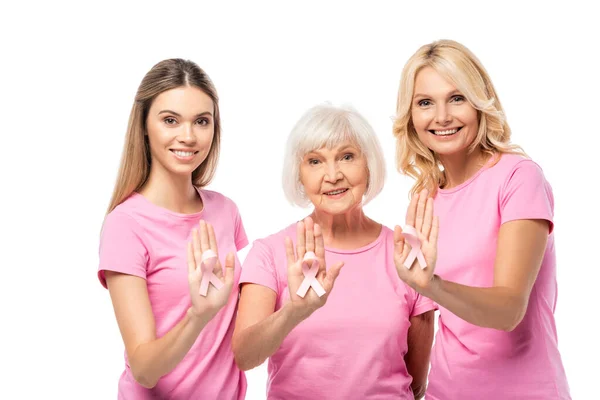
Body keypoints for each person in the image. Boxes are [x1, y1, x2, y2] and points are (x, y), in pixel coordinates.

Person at [392, 39, 571, 399]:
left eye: (456, 98)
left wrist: (432, 284)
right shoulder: (425, 197)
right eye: (425, 103)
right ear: (411, 117)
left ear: (479, 102)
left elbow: (509, 309)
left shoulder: (518, 178)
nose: (441, 116)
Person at [233, 103, 435, 399]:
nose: (332, 175)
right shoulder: (270, 253)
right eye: (314, 162)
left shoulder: (406, 255)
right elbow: (245, 357)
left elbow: (415, 383)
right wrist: (294, 312)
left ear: (369, 165)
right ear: (299, 175)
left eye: (347, 156)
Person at [98, 59, 247, 399]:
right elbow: (144, 370)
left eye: (202, 121)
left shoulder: (226, 211)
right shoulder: (126, 225)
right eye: (170, 120)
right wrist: (198, 316)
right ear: (144, 126)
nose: (189, 136)